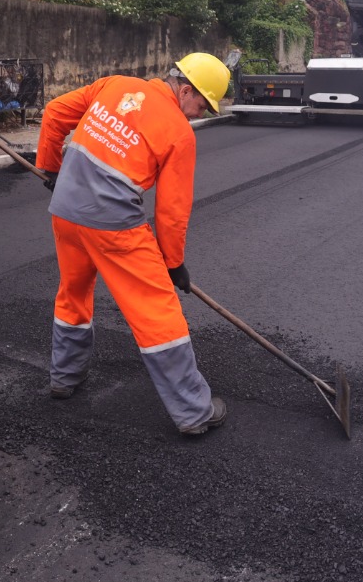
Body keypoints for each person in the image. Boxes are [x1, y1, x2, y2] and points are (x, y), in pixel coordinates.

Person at [35, 52, 231, 436]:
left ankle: (64, 378)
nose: (199, 114)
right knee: (157, 310)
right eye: (201, 104)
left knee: (73, 293)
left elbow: (55, 113)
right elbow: (172, 211)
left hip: (65, 212)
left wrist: (51, 169)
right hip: (112, 225)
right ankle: (194, 412)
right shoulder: (178, 131)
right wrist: (173, 263)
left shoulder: (115, 84)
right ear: (185, 88)